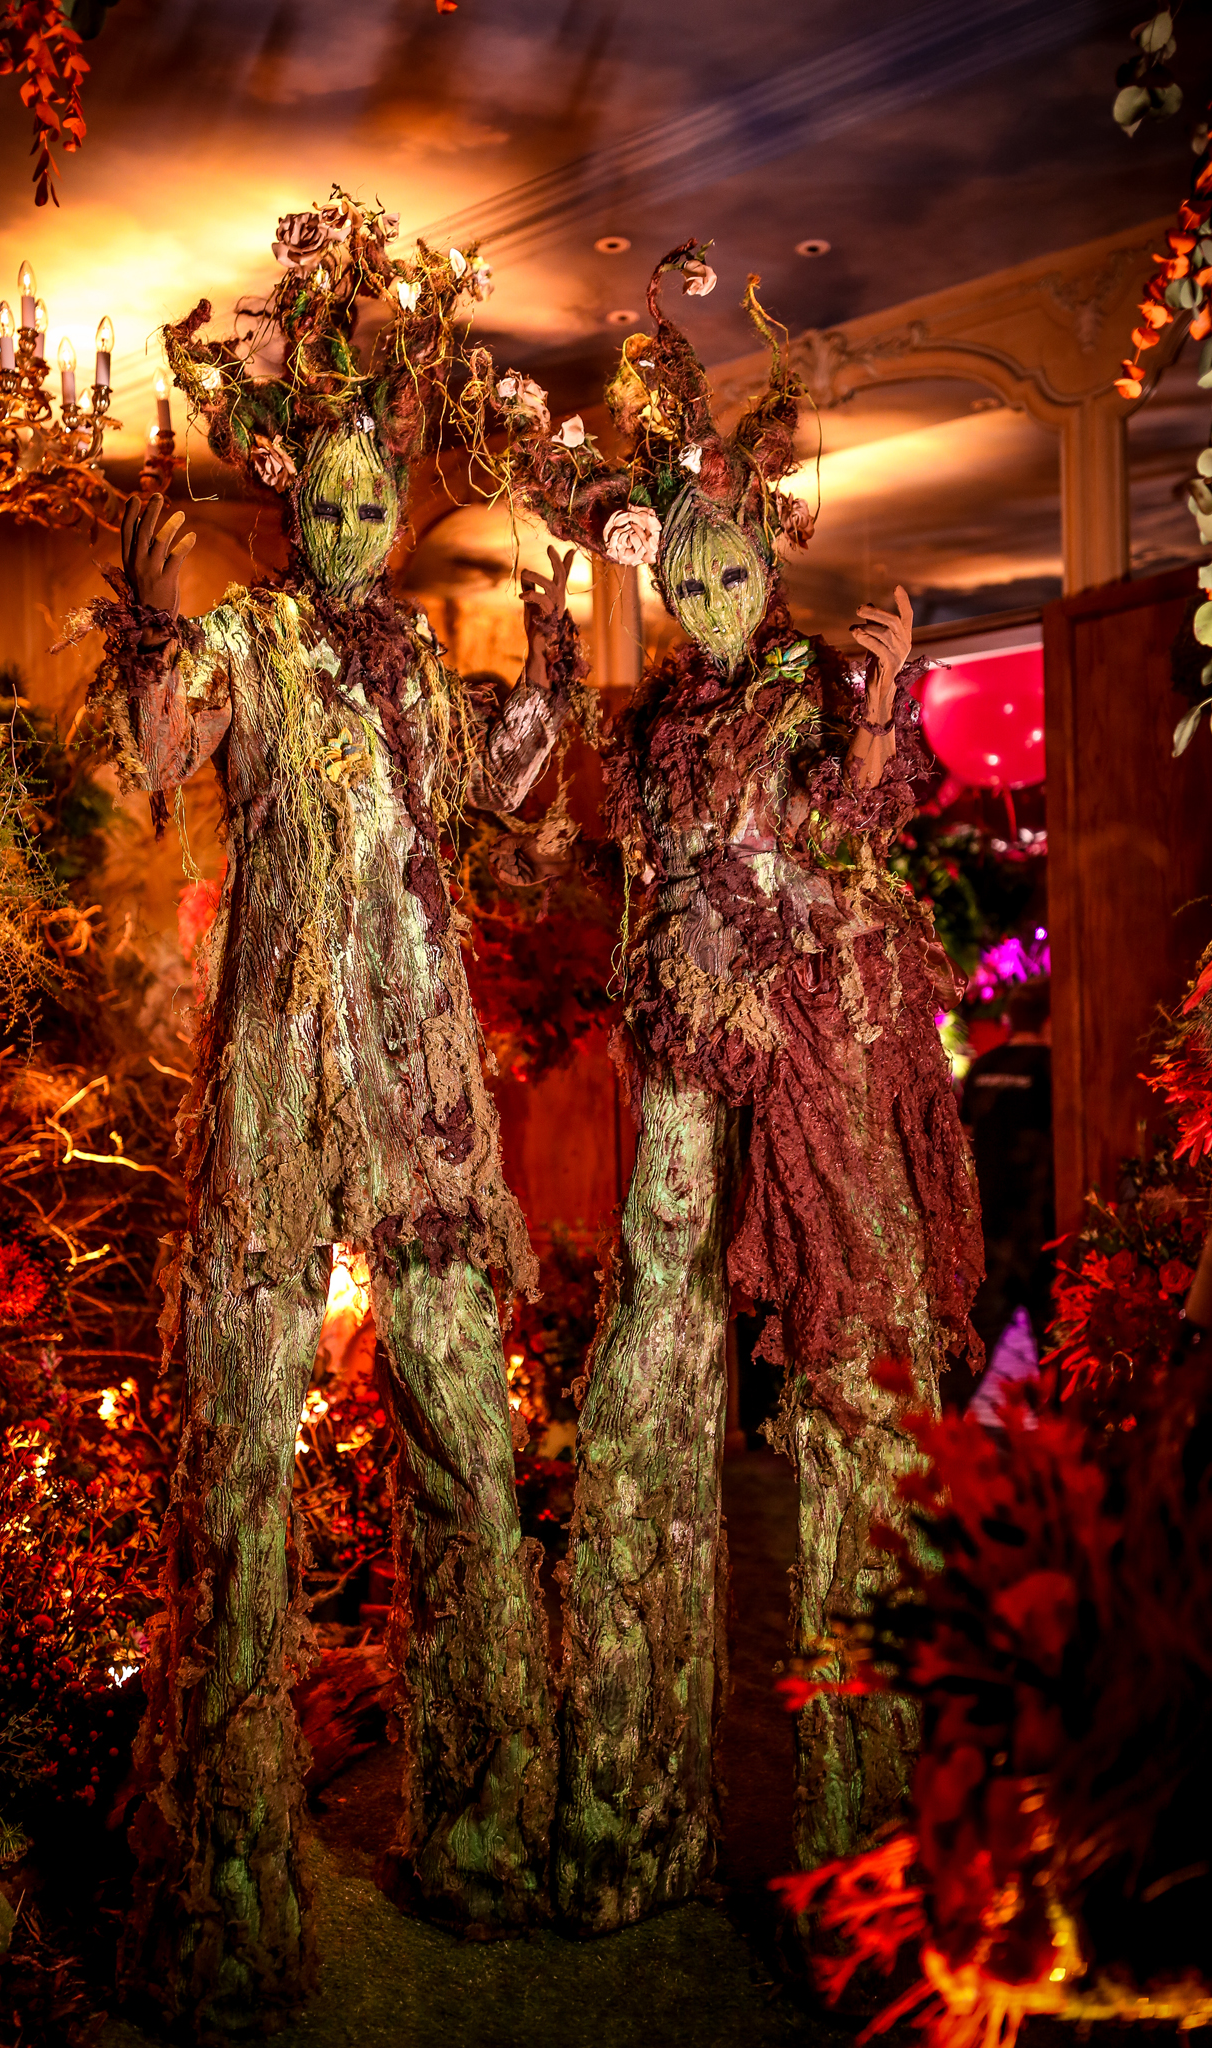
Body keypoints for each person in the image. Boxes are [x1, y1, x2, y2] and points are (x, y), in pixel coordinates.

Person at [80, 198, 592, 2029]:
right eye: (341, 499)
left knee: (462, 1419)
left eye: (385, 499)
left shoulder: (412, 662)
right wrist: (150, 624)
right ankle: (227, 1868)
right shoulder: (260, 642)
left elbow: (515, 811)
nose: (365, 527)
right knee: (244, 1451)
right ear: (297, 499)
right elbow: (155, 742)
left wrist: (546, 667)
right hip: (289, 1067)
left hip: (429, 1078)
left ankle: (487, 1814)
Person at [490, 247, 982, 1926]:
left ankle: (879, 1853)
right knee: (639, 1414)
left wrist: (878, 711)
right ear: (656, 577)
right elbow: (590, 865)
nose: (704, 602)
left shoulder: (795, 692)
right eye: (678, 578)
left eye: (724, 572)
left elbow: (859, 815)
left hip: (812, 1102)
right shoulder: (646, 725)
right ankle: (627, 1806)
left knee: (856, 1426)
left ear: (761, 561)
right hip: (683, 1110)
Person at [961, 975, 1053, 1427]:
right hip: (1043, 1226)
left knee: (974, 1342)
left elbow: (963, 1137)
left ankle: (942, 1434)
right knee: (1055, 1342)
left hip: (989, 1224)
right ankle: (1058, 1439)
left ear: (1008, 1020)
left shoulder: (983, 1068)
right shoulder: (1056, 1070)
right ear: (1052, 1020)